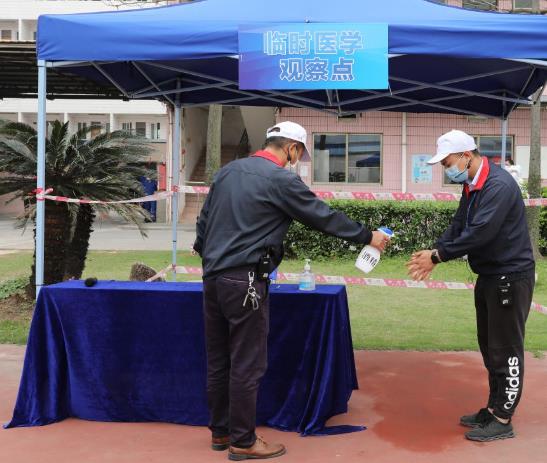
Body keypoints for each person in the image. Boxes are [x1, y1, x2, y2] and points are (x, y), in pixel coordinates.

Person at [193, 121, 389, 460]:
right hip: (246, 280)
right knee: (246, 363)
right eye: (299, 154)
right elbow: (321, 216)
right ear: (292, 148)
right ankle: (243, 442)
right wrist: (367, 235)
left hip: (213, 278)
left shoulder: (228, 172)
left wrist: (207, 251)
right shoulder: (280, 179)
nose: (296, 160)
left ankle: (221, 432)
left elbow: (204, 221)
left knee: (219, 360)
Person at [407, 130, 535, 442]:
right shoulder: (472, 184)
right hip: (490, 275)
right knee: (490, 346)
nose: (445, 169)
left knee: (506, 349)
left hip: (509, 276)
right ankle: (493, 408)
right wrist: (436, 250)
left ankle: (503, 419)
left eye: (447, 162)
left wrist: (437, 257)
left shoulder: (498, 185)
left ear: (466, 156)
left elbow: (480, 233)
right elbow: (459, 224)